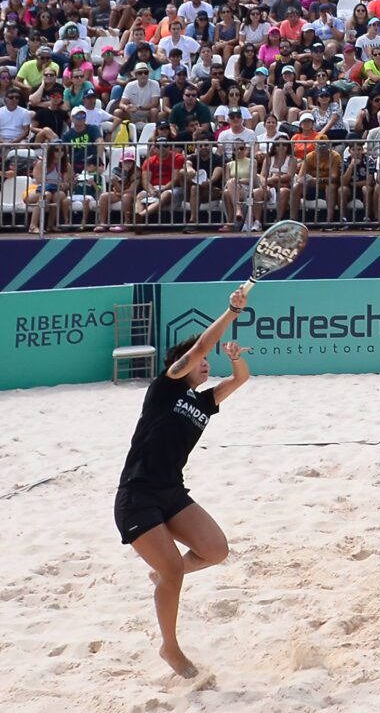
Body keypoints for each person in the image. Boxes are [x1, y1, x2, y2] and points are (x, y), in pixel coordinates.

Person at [116, 283, 252, 681]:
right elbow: (196, 350)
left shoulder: (201, 401)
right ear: (182, 365)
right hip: (137, 495)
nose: (205, 364)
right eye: (201, 360)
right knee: (174, 573)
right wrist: (230, 313)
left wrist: (237, 359)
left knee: (216, 549)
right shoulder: (165, 387)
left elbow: (239, 380)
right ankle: (170, 647)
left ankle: (163, 573)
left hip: (171, 492)